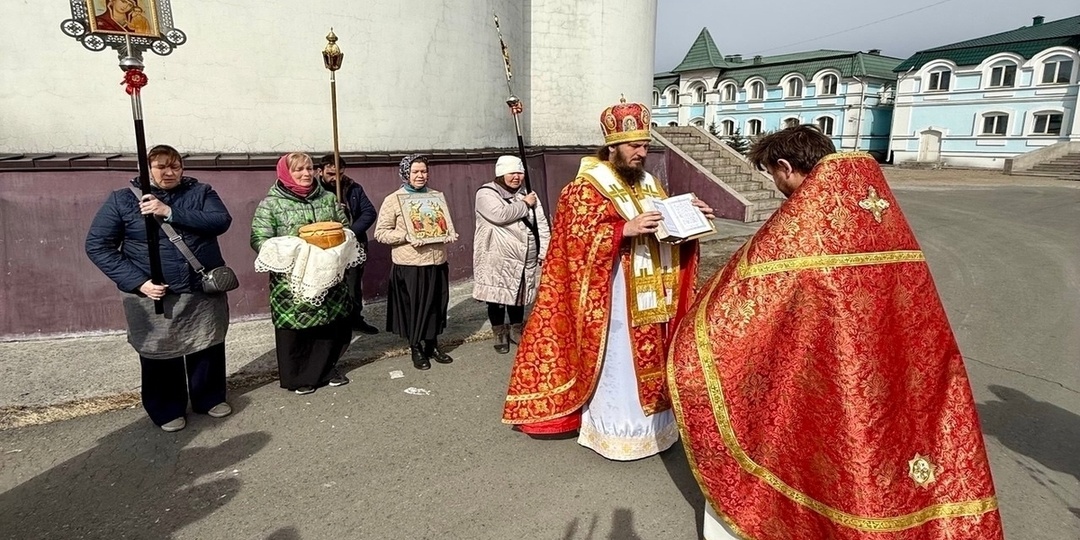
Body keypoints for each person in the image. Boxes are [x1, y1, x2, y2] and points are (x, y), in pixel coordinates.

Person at [667, 126, 1003, 539]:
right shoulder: (876, 210)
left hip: (829, 373)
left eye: (774, 175)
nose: (776, 185)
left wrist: (693, 338)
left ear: (786, 168)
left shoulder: (803, 224)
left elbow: (741, 305)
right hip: (899, 369)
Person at [501, 99, 713, 460]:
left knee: (656, 355)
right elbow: (573, 242)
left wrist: (691, 221)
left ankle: (657, 430)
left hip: (655, 292)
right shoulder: (585, 187)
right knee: (620, 363)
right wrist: (622, 230)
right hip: (612, 297)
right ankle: (616, 433)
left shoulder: (649, 183)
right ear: (612, 146)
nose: (642, 153)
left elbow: (667, 230)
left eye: (645, 145)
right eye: (634, 146)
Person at [85, 144, 233, 432]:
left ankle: (209, 398)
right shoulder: (122, 200)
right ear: (146, 169)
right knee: (160, 352)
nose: (169, 172)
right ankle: (166, 408)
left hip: (200, 288)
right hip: (154, 292)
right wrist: (138, 282)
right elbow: (98, 246)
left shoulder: (201, 192)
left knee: (207, 343)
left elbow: (220, 221)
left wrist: (169, 211)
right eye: (161, 166)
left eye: (175, 166)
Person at [251, 152, 354, 395]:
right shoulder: (271, 204)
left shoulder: (328, 199)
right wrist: (294, 249)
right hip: (292, 279)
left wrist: (340, 243)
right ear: (286, 173)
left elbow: (344, 228)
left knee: (329, 325)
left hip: (328, 275)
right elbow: (259, 239)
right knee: (298, 330)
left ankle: (328, 369)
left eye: (308, 168)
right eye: (298, 170)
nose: (306, 174)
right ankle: (299, 377)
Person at [373, 154, 458, 370]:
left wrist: (448, 233)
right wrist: (405, 236)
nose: (421, 176)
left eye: (424, 171)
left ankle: (433, 344)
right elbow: (381, 233)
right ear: (406, 174)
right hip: (411, 264)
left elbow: (442, 223)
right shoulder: (394, 199)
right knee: (415, 307)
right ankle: (416, 347)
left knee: (436, 306)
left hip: (437, 261)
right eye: (415, 172)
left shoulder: (435, 196)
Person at [472, 155, 551, 353]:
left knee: (519, 294)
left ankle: (517, 329)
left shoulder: (527, 193)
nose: (516, 177)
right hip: (497, 256)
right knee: (497, 296)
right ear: (501, 174)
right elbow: (500, 215)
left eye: (519, 172)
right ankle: (499, 331)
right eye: (512, 173)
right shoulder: (486, 193)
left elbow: (540, 222)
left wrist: (545, 249)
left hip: (525, 255)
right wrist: (525, 204)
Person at [316, 154, 379, 335]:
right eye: (330, 174)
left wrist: (351, 232)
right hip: (325, 249)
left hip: (352, 245)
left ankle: (355, 319)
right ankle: (332, 324)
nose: (336, 179)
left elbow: (368, 212)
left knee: (353, 286)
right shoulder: (314, 192)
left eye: (339, 174)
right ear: (320, 172)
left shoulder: (353, 188)